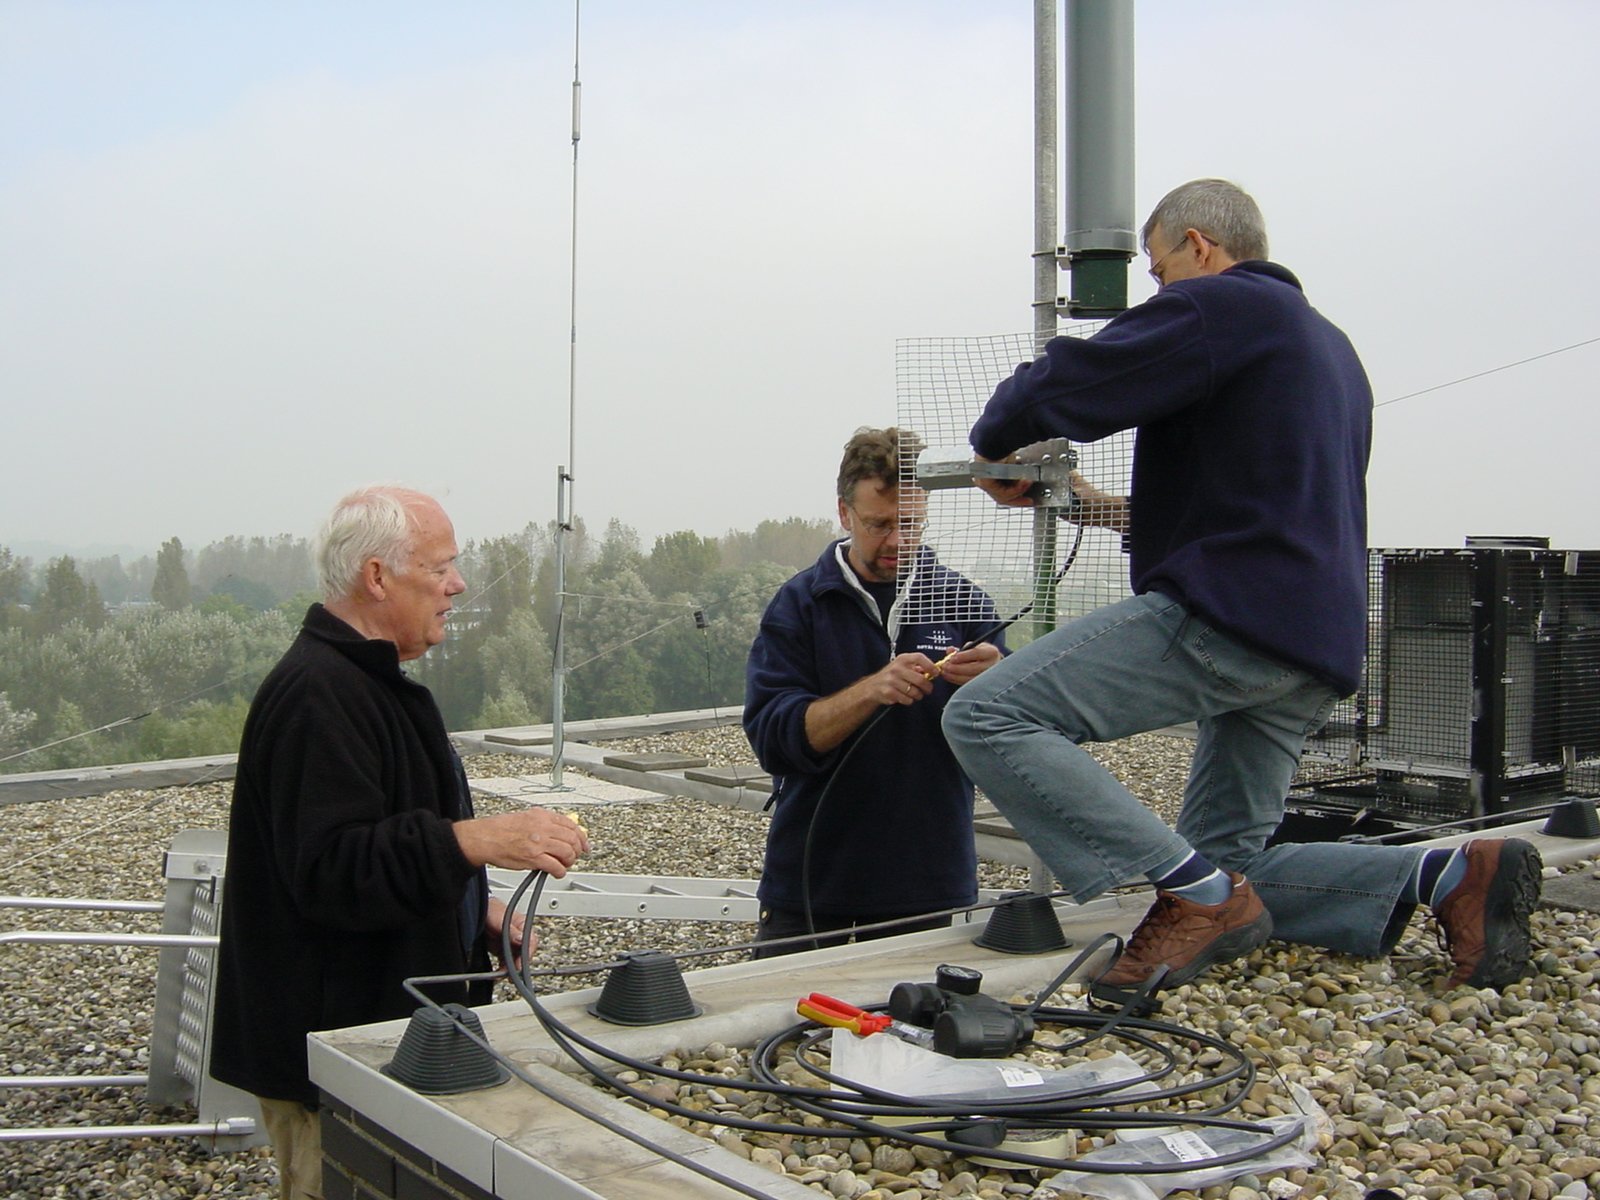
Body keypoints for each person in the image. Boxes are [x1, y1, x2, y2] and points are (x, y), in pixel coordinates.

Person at [942, 179, 1541, 1000]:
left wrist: (995, 446)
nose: (1158, 291)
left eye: (1158, 271)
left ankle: (1199, 900)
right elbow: (1251, 503)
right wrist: (1089, 505)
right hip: (1313, 642)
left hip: (1231, 623)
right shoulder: (1329, 349)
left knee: (988, 714)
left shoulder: (1223, 305)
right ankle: (1448, 876)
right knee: (1232, 858)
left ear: (1198, 245)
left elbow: (1068, 381)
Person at [210, 486, 589, 1200]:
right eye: (440, 567)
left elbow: (386, 841)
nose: (458, 584)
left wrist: (468, 909)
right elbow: (331, 870)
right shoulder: (318, 695)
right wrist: (476, 841)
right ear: (378, 577)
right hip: (333, 1066)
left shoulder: (367, 683)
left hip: (384, 1049)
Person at [744, 427, 1006, 957]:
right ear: (844, 514)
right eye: (879, 524)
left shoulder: (964, 602)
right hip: (813, 880)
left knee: (912, 1013)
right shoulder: (800, 605)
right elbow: (773, 740)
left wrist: (1001, 680)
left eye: (910, 524)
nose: (897, 542)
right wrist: (871, 690)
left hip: (928, 880)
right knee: (782, 1010)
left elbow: (1010, 740)